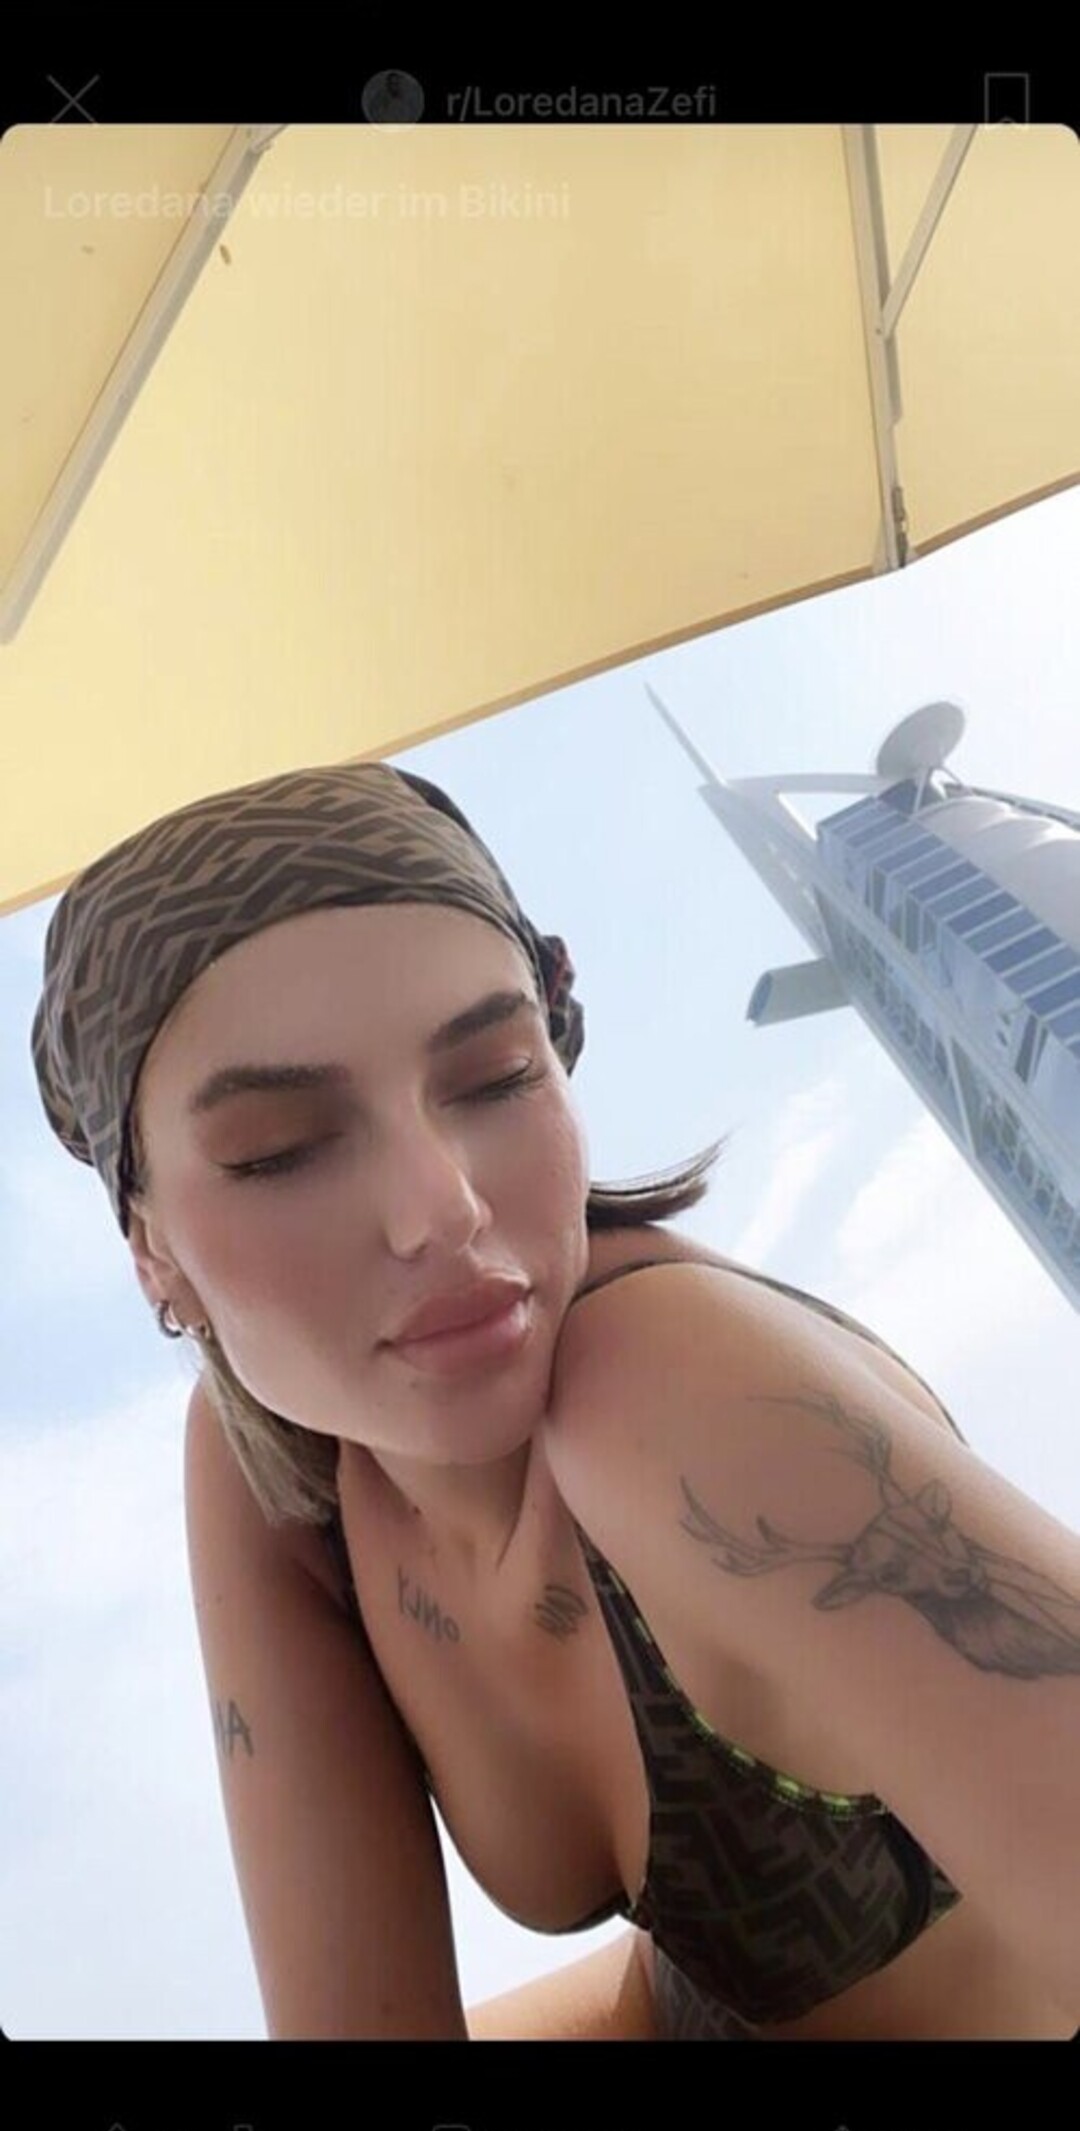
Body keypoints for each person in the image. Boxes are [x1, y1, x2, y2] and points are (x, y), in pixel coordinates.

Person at [30, 758, 1080, 2041]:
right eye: (280, 1150)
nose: (443, 1207)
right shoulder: (274, 1457)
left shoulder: (675, 1393)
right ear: (154, 1251)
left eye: (495, 1078)